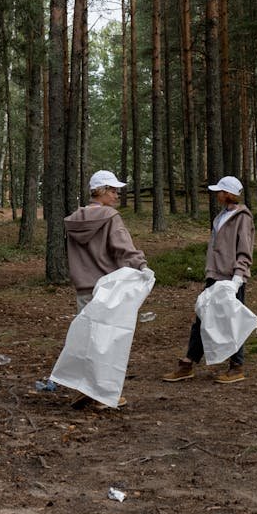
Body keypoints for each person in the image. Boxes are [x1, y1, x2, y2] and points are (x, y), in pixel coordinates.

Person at [62, 169, 148, 409]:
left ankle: (83, 389)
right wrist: (141, 266)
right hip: (107, 288)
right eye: (113, 190)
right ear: (100, 191)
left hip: (83, 288)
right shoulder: (110, 217)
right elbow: (123, 247)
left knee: (87, 339)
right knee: (107, 342)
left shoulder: (74, 220)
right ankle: (102, 394)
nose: (116, 195)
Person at [162, 175, 253, 385]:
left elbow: (245, 250)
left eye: (220, 191)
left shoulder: (242, 218)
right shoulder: (221, 216)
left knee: (232, 321)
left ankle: (237, 366)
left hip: (231, 279)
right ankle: (188, 362)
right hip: (215, 275)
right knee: (202, 317)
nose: (217, 194)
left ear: (228, 194)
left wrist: (238, 277)